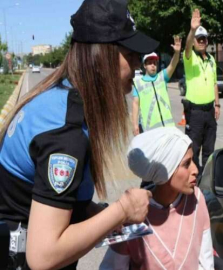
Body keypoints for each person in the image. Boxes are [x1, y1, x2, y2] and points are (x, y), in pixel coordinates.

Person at [0, 0, 158, 269]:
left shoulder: (60, 98)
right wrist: (123, 209)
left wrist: (106, 217)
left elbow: (56, 201)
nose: (137, 64)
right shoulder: (66, 133)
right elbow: (43, 256)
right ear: (102, 57)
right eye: (129, 53)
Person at [100, 127, 214, 270]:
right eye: (186, 164)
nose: (195, 170)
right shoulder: (133, 212)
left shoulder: (197, 199)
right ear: (165, 171)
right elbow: (113, 266)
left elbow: (206, 260)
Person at [183, 9, 220, 174]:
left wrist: (217, 105)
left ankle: (207, 181)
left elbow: (214, 84)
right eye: (198, 39)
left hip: (210, 111)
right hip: (195, 112)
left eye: (204, 38)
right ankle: (194, 183)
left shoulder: (212, 60)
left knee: (209, 150)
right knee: (194, 150)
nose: (201, 41)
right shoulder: (189, 58)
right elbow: (187, 47)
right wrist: (192, 30)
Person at [132, 36, 182, 135]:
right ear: (144, 65)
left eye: (155, 63)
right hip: (150, 131)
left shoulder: (162, 77)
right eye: (150, 63)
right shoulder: (138, 83)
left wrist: (177, 53)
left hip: (168, 129)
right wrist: (135, 125)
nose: (153, 65)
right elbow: (135, 104)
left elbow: (173, 64)